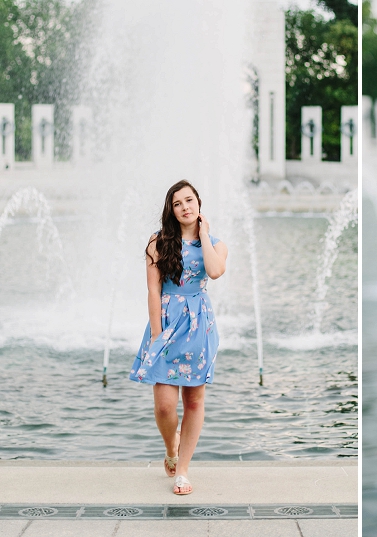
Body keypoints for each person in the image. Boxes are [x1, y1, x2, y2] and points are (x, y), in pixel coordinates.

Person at [129, 180, 228, 495]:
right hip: (166, 323)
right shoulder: (157, 242)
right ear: (171, 210)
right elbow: (153, 289)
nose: (185, 207)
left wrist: (202, 236)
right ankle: (171, 447)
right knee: (164, 405)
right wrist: (157, 334)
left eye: (190, 200)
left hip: (199, 326)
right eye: (178, 203)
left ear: (199, 204)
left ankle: (182, 470)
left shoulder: (215, 244)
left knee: (194, 400)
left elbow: (214, 272)